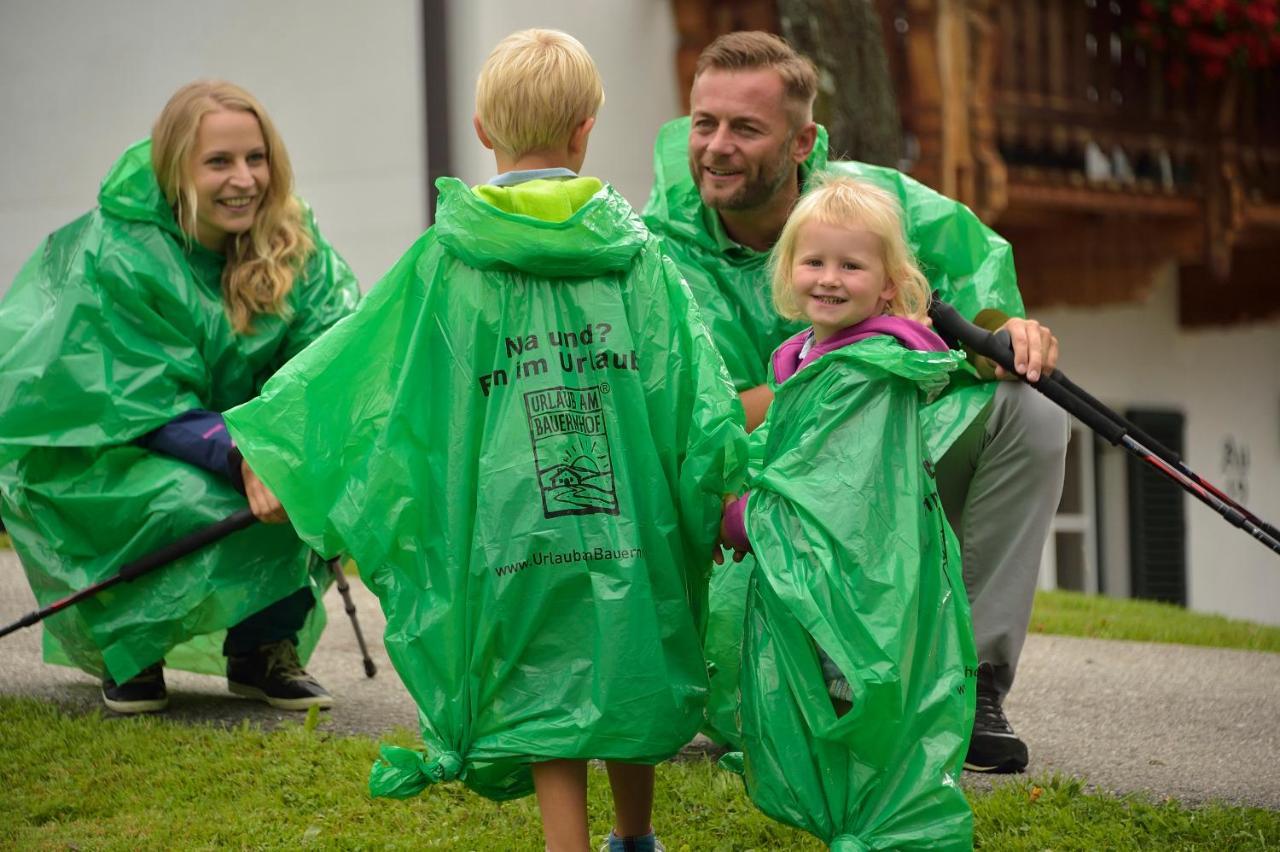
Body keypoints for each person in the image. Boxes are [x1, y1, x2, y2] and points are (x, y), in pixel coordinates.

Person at [223, 30, 743, 852]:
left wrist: (288, 449)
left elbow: (371, 366)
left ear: (480, 129)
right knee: (627, 655)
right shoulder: (636, 258)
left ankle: (563, 842)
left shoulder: (451, 258)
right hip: (627, 517)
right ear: (585, 129)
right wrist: (710, 485)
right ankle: (634, 836)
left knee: (542, 672)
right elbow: (691, 388)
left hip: (508, 522)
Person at [643, 31, 1069, 774]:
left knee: (1031, 411)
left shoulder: (878, 203)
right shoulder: (657, 252)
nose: (715, 146)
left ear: (803, 139)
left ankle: (974, 686)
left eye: (745, 128)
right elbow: (693, 423)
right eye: (704, 123)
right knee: (781, 713)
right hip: (762, 504)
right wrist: (843, 384)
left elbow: (983, 300)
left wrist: (1010, 336)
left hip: (892, 457)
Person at [0, 81, 359, 714]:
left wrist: (285, 449)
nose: (243, 179)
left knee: (298, 486)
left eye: (256, 157)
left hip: (238, 437)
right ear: (176, 170)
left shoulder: (291, 239)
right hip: (109, 450)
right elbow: (140, 400)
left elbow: (329, 358)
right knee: (179, 499)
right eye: (219, 162)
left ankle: (262, 649)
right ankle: (133, 648)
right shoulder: (124, 251)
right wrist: (245, 456)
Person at [716, 175, 974, 848]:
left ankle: (870, 818)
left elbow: (836, 484)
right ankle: (851, 817)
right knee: (822, 695)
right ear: (788, 269)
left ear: (889, 284)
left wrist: (743, 516)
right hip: (815, 574)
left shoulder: (870, 374)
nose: (828, 279)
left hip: (859, 584)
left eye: (851, 266)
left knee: (856, 693)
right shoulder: (803, 356)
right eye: (814, 261)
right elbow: (786, 452)